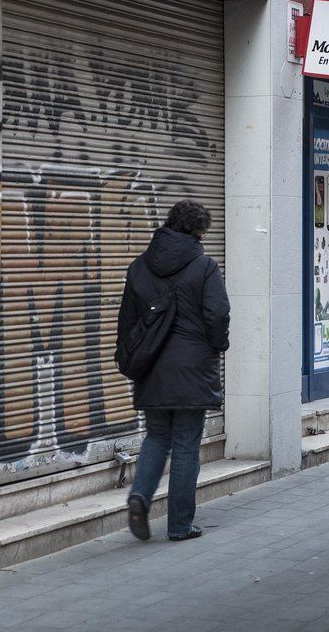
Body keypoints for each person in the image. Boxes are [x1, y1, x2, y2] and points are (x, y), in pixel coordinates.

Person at [117, 200, 230, 542]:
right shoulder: (203, 266)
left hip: (152, 367)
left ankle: (140, 495)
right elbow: (218, 314)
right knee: (185, 444)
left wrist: (130, 359)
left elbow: (127, 321)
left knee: (156, 437)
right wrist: (218, 345)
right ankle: (179, 524)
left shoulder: (138, 267)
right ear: (198, 232)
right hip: (193, 368)